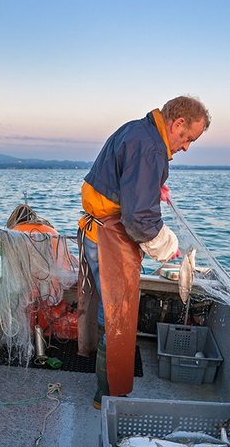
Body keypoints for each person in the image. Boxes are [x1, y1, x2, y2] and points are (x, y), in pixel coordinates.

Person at [77, 95, 210, 409]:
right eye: (188, 138)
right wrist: (167, 246)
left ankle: (103, 381)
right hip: (111, 237)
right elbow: (139, 220)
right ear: (178, 123)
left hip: (96, 232)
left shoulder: (137, 131)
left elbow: (124, 181)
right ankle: (108, 397)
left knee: (106, 310)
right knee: (119, 317)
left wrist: (152, 187)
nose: (187, 147)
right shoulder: (151, 147)